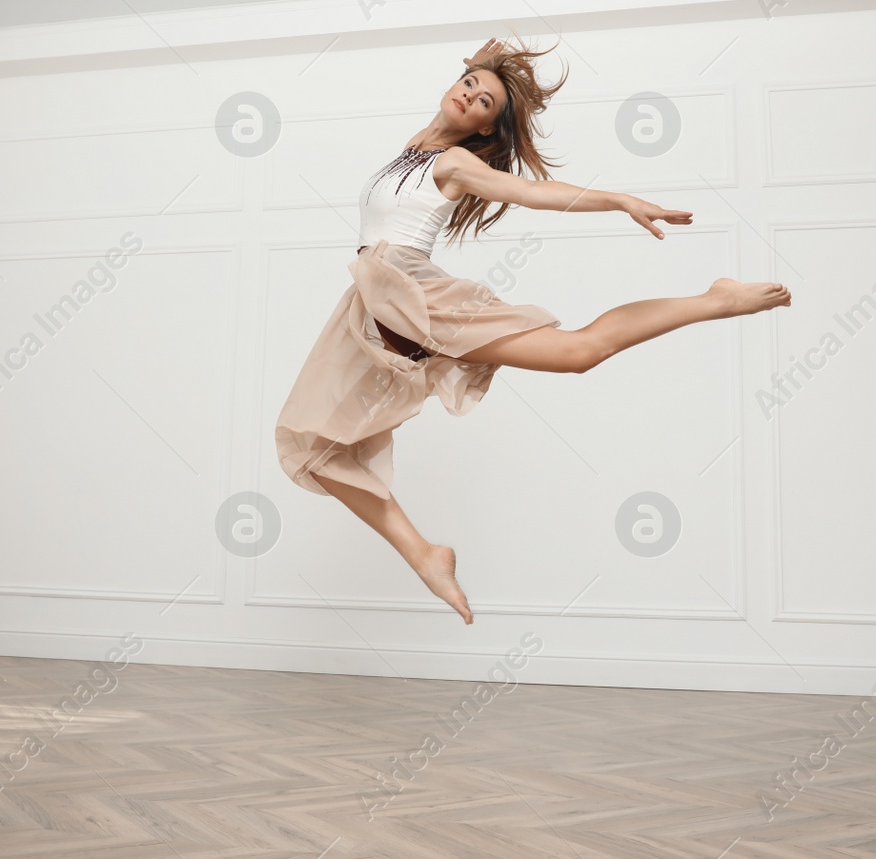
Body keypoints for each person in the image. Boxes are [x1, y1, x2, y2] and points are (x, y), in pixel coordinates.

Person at [275, 36, 790, 624]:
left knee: (577, 353)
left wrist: (618, 200)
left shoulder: (455, 163)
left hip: (414, 295)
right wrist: (482, 67)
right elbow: (468, 86)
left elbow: (533, 192)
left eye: (485, 103)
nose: (470, 96)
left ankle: (713, 300)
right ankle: (424, 555)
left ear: (488, 132)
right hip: (373, 302)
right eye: (469, 87)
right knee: (315, 448)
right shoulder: (417, 145)